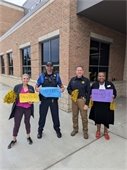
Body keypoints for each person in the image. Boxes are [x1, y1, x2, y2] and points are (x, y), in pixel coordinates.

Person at [35, 62, 64, 139]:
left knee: (55, 116)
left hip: (53, 100)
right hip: (44, 100)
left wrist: (62, 89)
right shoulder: (42, 76)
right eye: (48, 66)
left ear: (52, 67)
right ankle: (40, 131)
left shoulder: (56, 76)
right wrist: (37, 88)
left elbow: (61, 85)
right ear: (45, 67)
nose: (49, 67)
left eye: (51, 66)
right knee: (42, 116)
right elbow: (37, 85)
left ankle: (57, 130)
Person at [8, 74, 34, 149]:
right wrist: (10, 99)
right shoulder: (17, 87)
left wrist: (32, 102)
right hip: (19, 108)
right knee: (17, 123)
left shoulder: (31, 88)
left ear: (29, 79)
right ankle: (14, 139)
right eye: (24, 78)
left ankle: (28, 136)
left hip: (28, 108)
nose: (25, 80)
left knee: (27, 122)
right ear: (21, 79)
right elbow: (13, 97)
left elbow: (33, 98)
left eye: (27, 78)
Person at [89, 72, 117, 140]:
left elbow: (115, 93)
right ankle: (98, 131)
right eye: (99, 76)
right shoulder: (94, 84)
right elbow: (90, 93)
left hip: (107, 106)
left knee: (106, 119)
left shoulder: (110, 84)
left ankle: (105, 132)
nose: (101, 77)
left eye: (103, 76)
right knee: (98, 119)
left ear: (105, 77)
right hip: (97, 106)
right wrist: (91, 96)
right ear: (97, 77)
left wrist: (113, 96)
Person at [67, 66, 90, 139]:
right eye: (78, 70)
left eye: (81, 70)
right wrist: (72, 93)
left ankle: (85, 132)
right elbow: (68, 88)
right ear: (75, 71)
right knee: (74, 116)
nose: (79, 71)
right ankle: (75, 129)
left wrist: (87, 104)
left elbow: (89, 92)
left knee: (84, 117)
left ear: (83, 71)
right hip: (74, 100)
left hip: (82, 100)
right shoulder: (72, 80)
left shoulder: (86, 80)